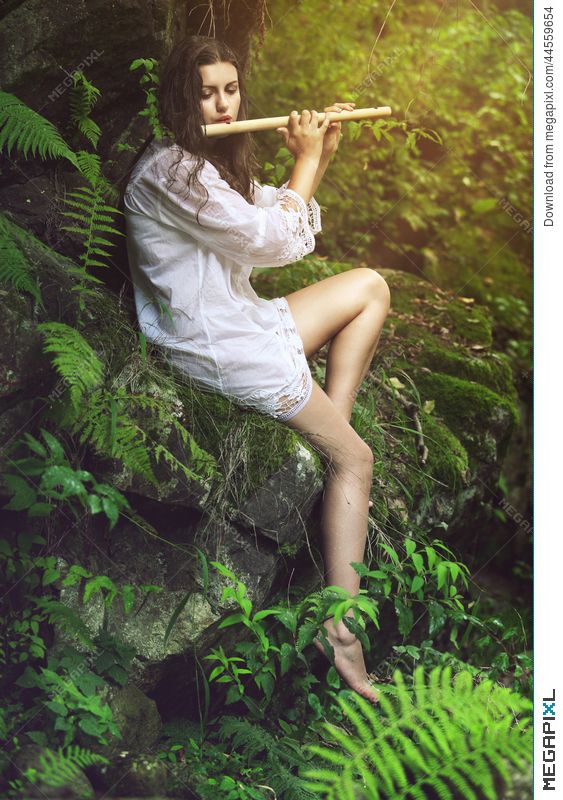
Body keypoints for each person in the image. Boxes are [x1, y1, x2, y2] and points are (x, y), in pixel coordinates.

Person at [123, 36, 391, 705]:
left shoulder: (203, 166)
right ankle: (341, 629)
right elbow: (270, 242)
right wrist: (305, 161)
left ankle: (331, 425)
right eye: (206, 92)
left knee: (369, 288)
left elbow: (272, 215)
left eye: (230, 90)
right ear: (180, 97)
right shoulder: (169, 172)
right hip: (213, 345)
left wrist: (318, 155)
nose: (221, 105)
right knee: (355, 460)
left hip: (243, 324)